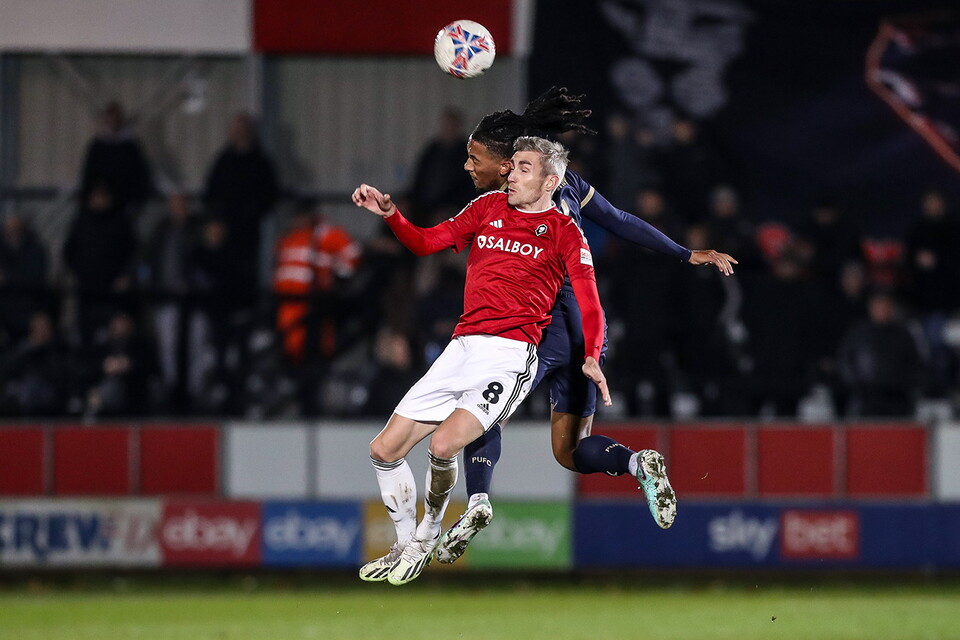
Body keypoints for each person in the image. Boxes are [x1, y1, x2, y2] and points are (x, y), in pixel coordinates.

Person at [436, 88, 735, 565]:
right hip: (582, 330)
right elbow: (619, 220)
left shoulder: (509, 201)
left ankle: (477, 502)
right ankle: (637, 462)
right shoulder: (567, 183)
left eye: (481, 159)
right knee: (570, 451)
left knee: (477, 409)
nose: (477, 168)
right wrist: (685, 253)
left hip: (534, 328)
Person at [352, 136, 614, 586]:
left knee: (442, 446)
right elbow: (427, 242)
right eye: (512, 166)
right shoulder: (488, 206)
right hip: (462, 348)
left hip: (510, 356)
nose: (511, 174)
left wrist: (591, 356)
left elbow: (590, 303)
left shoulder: (566, 232)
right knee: (383, 449)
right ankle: (403, 544)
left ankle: (426, 536)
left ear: (551, 181)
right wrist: (392, 216)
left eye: (525, 168)